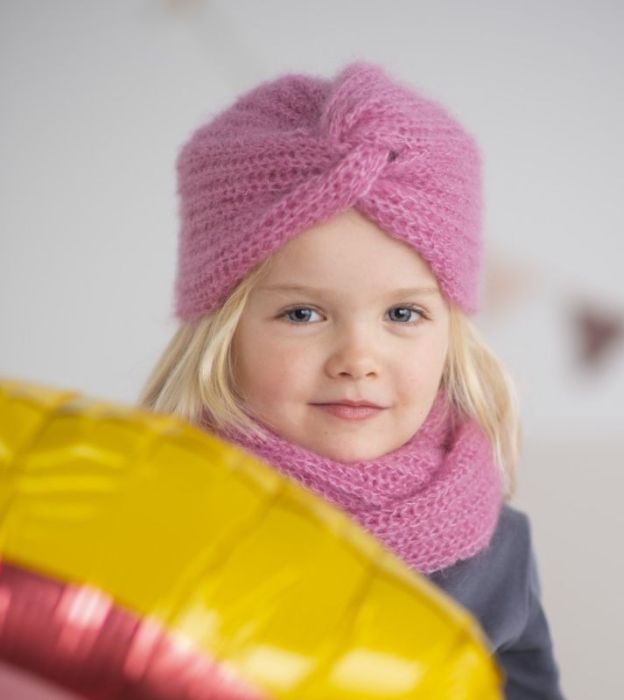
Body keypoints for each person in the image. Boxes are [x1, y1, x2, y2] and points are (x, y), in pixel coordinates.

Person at [140, 61, 566, 699]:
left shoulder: (495, 544)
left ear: (449, 331)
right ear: (223, 333)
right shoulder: (163, 518)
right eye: (304, 314)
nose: (357, 358)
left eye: (403, 314)